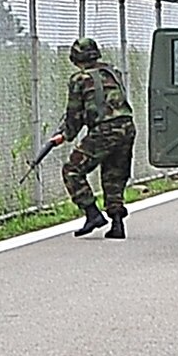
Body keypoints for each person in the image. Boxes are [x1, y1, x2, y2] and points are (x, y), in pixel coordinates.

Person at [43, 36, 135, 238]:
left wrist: (63, 136)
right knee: (114, 175)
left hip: (104, 131)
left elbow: (74, 115)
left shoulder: (79, 79)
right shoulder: (113, 72)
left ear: (76, 58)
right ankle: (117, 224)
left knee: (72, 170)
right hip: (127, 127)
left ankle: (92, 213)